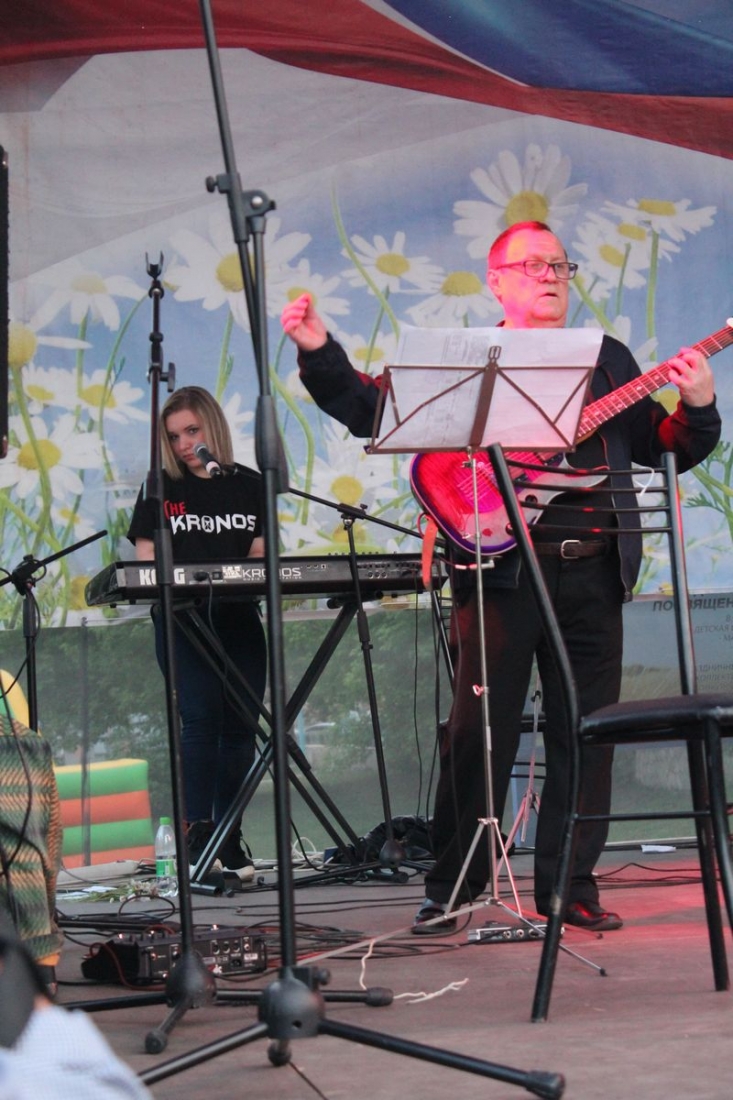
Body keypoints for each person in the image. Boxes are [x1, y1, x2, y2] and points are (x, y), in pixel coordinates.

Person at [280, 220, 721, 933]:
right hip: (499, 574)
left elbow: (662, 446)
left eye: (560, 265)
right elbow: (373, 409)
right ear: (497, 282)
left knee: (587, 734)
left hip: (593, 572)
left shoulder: (606, 357)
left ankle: (570, 886)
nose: (550, 276)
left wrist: (697, 404)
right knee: (477, 733)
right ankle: (455, 885)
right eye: (533, 265)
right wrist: (319, 352)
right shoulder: (472, 361)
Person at [127, 386, 267, 882]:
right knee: (202, 718)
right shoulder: (160, 487)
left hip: (238, 617)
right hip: (182, 620)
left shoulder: (249, 484)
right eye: (174, 437)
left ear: (213, 427)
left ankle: (228, 836)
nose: (184, 444)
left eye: (192, 431)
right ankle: (198, 836)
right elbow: (145, 562)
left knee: (242, 726)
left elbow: (259, 557)